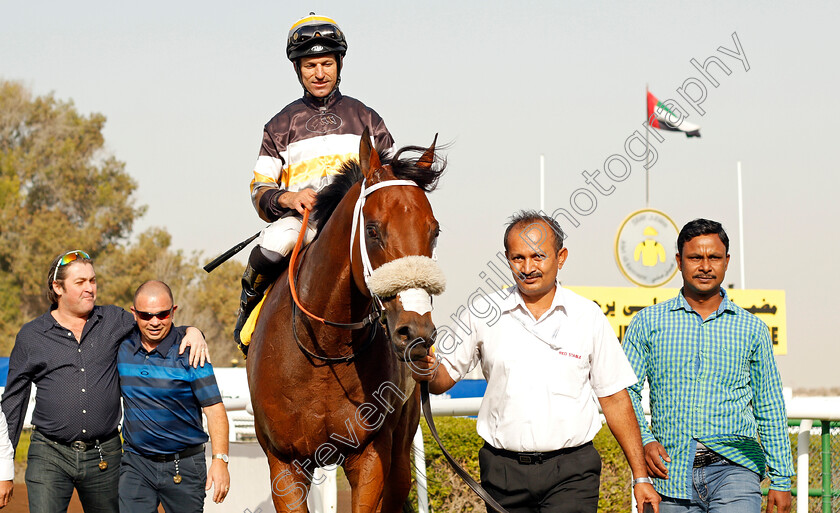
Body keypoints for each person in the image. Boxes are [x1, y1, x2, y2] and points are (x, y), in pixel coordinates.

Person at [413, 211, 660, 513]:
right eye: (518, 258)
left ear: (561, 257)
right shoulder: (482, 311)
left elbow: (615, 399)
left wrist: (640, 477)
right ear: (507, 258)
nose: (528, 268)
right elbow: (442, 380)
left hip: (572, 473)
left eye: (538, 256)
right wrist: (426, 367)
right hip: (502, 473)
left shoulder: (588, 316)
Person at [233, 12, 394, 354]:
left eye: (326, 63)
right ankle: (248, 311)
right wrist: (289, 199)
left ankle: (413, 341)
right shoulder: (279, 124)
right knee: (275, 242)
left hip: (358, 224)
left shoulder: (367, 117)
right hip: (303, 223)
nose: (319, 73)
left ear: (338, 64)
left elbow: (390, 179)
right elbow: (258, 189)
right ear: (297, 70)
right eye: (310, 65)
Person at [0, 250, 209, 513]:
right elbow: (13, 404)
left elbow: (154, 321)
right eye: (80, 282)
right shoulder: (31, 336)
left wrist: (192, 331)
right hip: (49, 454)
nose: (90, 288)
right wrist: (3, 469)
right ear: (57, 287)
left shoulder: (114, 320)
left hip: (105, 457)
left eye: (93, 280)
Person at [622, 219, 794, 513]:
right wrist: (646, 440)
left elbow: (770, 405)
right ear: (679, 261)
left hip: (736, 468)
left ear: (726, 262)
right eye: (695, 257)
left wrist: (781, 479)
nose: (705, 266)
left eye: (714, 257)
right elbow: (624, 391)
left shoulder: (752, 328)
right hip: (669, 473)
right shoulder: (648, 323)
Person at [118, 281, 230, 512]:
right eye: (146, 315)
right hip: (135, 465)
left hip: (185, 467)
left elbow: (214, 409)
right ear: (134, 314)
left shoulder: (191, 351)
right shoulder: (122, 346)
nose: (155, 322)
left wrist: (220, 460)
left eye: (162, 314)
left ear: (173, 311)